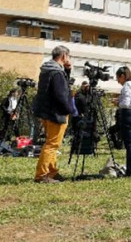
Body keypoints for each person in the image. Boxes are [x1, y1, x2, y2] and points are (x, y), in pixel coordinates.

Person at [32, 45, 74, 183]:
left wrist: (67, 71)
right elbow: (61, 94)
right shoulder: (57, 73)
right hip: (56, 113)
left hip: (46, 112)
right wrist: (70, 110)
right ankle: (41, 175)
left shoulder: (47, 70)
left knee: (51, 143)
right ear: (64, 56)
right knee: (52, 145)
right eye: (68, 56)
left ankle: (52, 172)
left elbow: (60, 87)